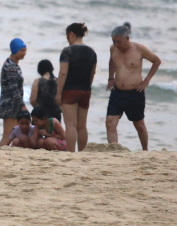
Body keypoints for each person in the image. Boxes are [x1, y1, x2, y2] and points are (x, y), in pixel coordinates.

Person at [106, 23, 161, 151]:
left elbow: (156, 61)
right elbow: (111, 61)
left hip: (135, 92)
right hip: (117, 92)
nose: (116, 44)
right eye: (114, 41)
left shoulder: (139, 49)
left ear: (127, 39)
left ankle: (145, 150)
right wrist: (110, 78)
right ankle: (114, 151)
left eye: (119, 42)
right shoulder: (113, 48)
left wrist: (146, 81)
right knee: (110, 122)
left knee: (139, 125)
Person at [56, 23, 97, 152]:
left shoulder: (67, 51)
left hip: (70, 90)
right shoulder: (92, 52)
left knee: (70, 125)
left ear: (71, 34)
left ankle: (71, 153)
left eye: (67, 35)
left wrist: (58, 93)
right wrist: (87, 87)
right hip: (85, 90)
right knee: (82, 126)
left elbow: (63, 73)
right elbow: (92, 73)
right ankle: (83, 152)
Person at [0, 39, 28, 146]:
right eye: (21, 50)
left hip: (14, 105)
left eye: (25, 50)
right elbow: (14, 89)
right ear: (15, 50)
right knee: (8, 135)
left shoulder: (13, 64)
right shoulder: (11, 66)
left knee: (13, 134)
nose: (24, 53)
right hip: (9, 106)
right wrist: (23, 105)